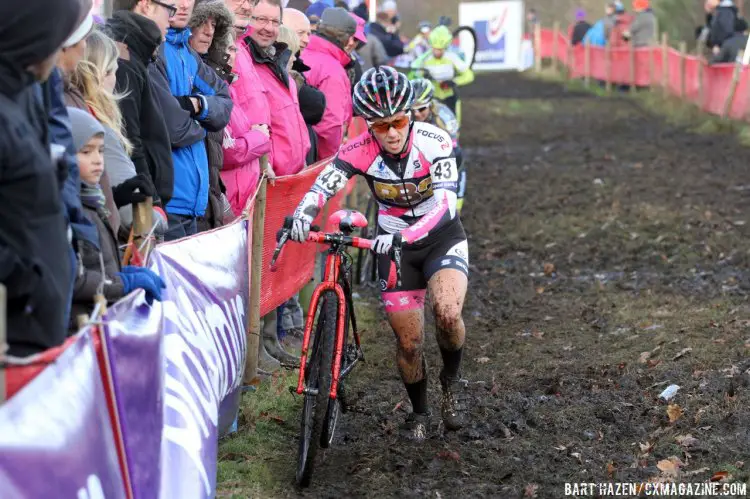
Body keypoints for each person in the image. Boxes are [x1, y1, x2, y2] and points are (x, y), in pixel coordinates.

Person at [288, 67, 469, 440]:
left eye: (399, 121)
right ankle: (419, 413)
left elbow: (447, 204)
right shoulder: (358, 149)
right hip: (392, 246)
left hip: (440, 238)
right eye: (380, 125)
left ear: (410, 115)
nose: (392, 133)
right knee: (409, 342)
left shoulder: (436, 140)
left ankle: (450, 383)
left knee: (448, 316)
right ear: (368, 125)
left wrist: (408, 235)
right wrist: (304, 212)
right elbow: (326, 183)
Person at [0, 0, 83, 356]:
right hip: (14, 329)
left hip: (37, 323)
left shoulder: (23, 96)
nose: (62, 51)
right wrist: (24, 281)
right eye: (57, 39)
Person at [68, 107, 165, 324]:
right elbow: (70, 278)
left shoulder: (93, 203)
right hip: (78, 329)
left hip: (97, 321)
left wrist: (120, 272)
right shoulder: (67, 208)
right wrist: (120, 283)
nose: (97, 160)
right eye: (86, 152)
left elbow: (96, 263)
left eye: (101, 151)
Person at [70, 29, 168, 243]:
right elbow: (131, 216)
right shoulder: (97, 130)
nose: (116, 79)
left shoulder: (67, 114)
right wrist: (159, 216)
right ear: (101, 74)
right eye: (113, 71)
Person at [150, 0, 233, 241]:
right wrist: (202, 125)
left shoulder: (187, 54)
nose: (184, 4)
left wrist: (196, 105)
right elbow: (173, 128)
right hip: (167, 200)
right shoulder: (156, 51)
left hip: (193, 201)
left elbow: (224, 101)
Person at [105, 0, 175, 210]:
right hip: (139, 205)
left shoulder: (135, 50)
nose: (171, 18)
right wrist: (149, 202)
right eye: (169, 8)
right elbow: (129, 136)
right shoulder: (124, 57)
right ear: (145, 5)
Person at [245, 0, 310, 177]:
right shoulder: (243, 64)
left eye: (274, 22)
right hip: (268, 180)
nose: (269, 28)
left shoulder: (278, 66)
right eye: (261, 20)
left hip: (291, 177)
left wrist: (302, 157)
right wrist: (264, 164)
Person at [189, 0, 237, 229]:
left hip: (209, 191)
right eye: (201, 22)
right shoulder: (174, 63)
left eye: (214, 24)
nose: (209, 31)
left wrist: (200, 106)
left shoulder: (211, 69)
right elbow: (178, 128)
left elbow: (224, 108)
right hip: (186, 195)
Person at [302, 7, 361, 161]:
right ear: (347, 39)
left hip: (295, 152)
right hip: (314, 157)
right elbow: (330, 126)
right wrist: (327, 163)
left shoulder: (300, 53)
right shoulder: (333, 70)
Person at [409, 78, 466, 214]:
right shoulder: (406, 114)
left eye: (421, 109)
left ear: (430, 105)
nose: (416, 114)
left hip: (444, 155)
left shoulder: (444, 115)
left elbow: (452, 147)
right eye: (413, 110)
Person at [411, 25, 474, 122]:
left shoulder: (452, 57)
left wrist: (454, 82)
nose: (437, 52)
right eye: (435, 48)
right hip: (432, 98)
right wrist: (423, 77)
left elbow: (469, 75)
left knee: (452, 125)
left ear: (445, 47)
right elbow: (413, 76)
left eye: (440, 49)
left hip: (450, 97)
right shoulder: (425, 59)